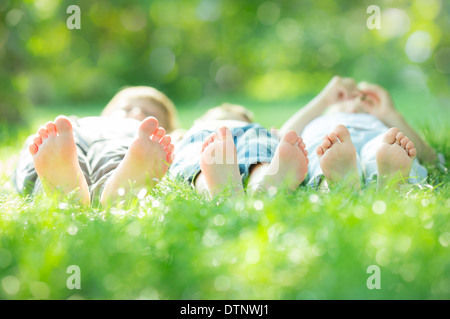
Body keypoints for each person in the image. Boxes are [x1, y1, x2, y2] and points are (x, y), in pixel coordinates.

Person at [12, 86, 177, 207]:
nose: (136, 113)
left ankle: (118, 190)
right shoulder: (77, 124)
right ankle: (59, 185)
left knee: (116, 155)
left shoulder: (141, 138)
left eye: (150, 114)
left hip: (126, 143)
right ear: (106, 113)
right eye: (125, 108)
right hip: (73, 138)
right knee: (44, 149)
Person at [279, 76, 436, 189]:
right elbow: (282, 137)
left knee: (385, 148)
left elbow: (430, 158)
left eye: (363, 107)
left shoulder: (380, 122)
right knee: (322, 150)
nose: (353, 108)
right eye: (343, 105)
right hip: (329, 138)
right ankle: (334, 181)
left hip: (375, 136)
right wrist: (324, 99)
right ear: (327, 109)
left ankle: (392, 182)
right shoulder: (318, 121)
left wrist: (390, 114)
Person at [169, 103, 309, 198]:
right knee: (260, 153)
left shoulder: (194, 130)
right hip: (217, 133)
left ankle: (258, 185)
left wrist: (277, 138)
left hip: (239, 131)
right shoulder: (188, 131)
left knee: (197, 160)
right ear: (199, 120)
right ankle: (265, 186)